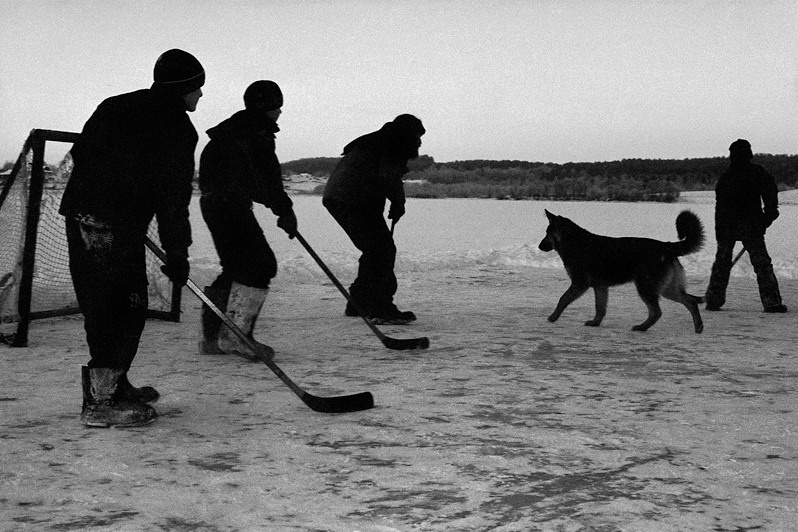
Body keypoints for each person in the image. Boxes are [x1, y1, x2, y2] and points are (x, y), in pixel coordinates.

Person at [59, 49, 205, 427]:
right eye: (197, 87)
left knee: (122, 304)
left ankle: (115, 382)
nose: (201, 94)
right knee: (118, 307)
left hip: (87, 215)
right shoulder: (178, 129)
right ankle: (101, 402)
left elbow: (81, 153)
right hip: (109, 222)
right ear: (183, 88)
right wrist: (177, 250)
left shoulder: (115, 105)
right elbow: (172, 198)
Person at [198, 80, 298, 359]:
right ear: (266, 107)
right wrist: (284, 211)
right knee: (260, 264)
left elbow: (252, 181)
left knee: (234, 268)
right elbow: (267, 179)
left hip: (214, 202)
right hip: (228, 204)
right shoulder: (255, 134)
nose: (279, 112)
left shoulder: (234, 130)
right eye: (277, 106)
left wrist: (279, 208)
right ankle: (236, 338)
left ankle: (212, 338)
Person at [322, 114, 425, 324]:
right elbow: (390, 177)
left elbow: (389, 177)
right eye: (417, 137)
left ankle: (359, 303)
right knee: (382, 250)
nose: (419, 142)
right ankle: (380, 306)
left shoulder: (378, 141)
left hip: (342, 197)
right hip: (354, 198)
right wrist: (398, 203)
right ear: (407, 135)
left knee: (375, 249)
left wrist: (397, 203)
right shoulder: (389, 146)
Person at [705, 139, 787, 313]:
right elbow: (770, 194)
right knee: (760, 264)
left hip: (738, 225)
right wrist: (768, 215)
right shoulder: (750, 173)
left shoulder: (730, 176)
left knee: (725, 263)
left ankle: (714, 299)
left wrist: (768, 216)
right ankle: (771, 302)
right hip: (744, 225)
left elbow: (769, 194)